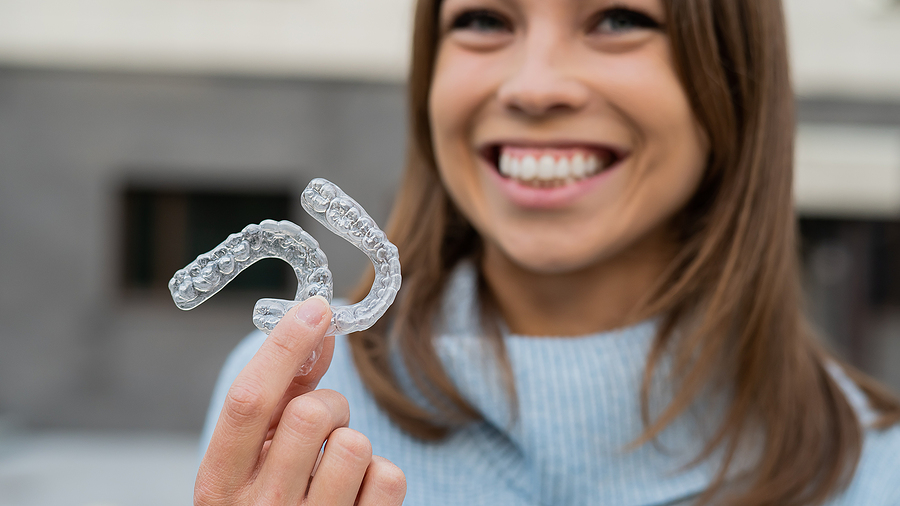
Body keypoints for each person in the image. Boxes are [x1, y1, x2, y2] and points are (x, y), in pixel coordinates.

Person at [193, 0, 900, 504]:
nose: (534, 87)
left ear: (732, 71)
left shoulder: (879, 472)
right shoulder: (286, 402)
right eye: (484, 19)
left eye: (618, 19)